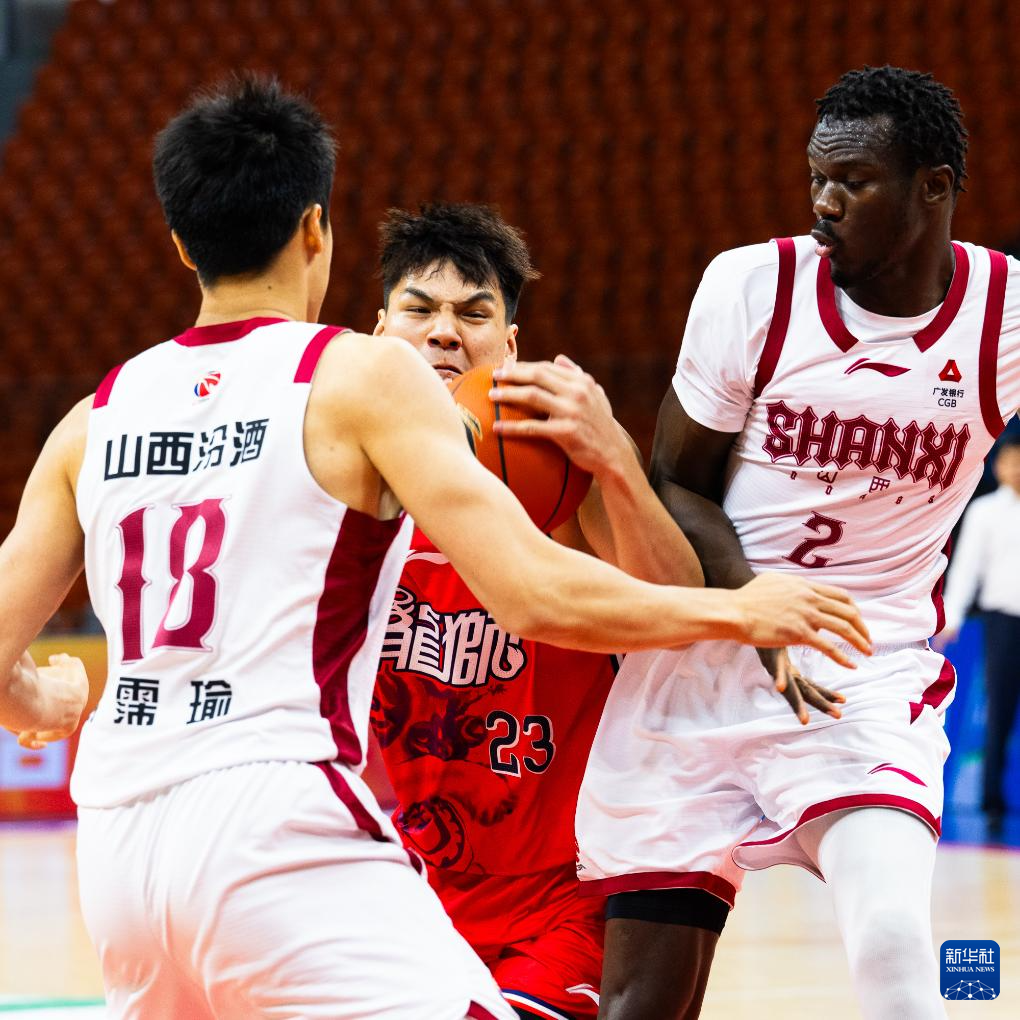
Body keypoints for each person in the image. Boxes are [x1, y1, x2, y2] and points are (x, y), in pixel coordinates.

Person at [0, 77, 868, 1019]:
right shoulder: (357, 378)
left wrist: (41, 701)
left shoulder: (92, 418)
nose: (444, 336)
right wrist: (739, 609)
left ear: (179, 242)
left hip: (119, 843)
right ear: (315, 231)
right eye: (421, 311)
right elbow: (533, 595)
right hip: (275, 818)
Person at [576, 65, 1020, 1020]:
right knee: (641, 1004)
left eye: (852, 181)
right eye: (817, 178)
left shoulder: (1004, 315)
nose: (823, 202)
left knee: (894, 940)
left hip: (863, 671)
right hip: (703, 662)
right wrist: (755, 609)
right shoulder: (753, 286)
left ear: (934, 187)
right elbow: (676, 481)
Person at [369, 202, 728, 1020]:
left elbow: (682, 611)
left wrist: (615, 463)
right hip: (409, 889)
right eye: (419, 310)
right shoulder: (340, 473)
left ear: (510, 346)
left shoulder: (551, 459)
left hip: (567, 892)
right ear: (379, 331)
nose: (444, 333)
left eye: (473, 314)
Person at [938, 435, 1020, 831]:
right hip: (1003, 622)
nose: (1016, 469)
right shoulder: (985, 511)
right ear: (998, 466)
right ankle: (992, 805)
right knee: (999, 711)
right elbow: (966, 566)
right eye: (1010, 462)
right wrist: (951, 615)